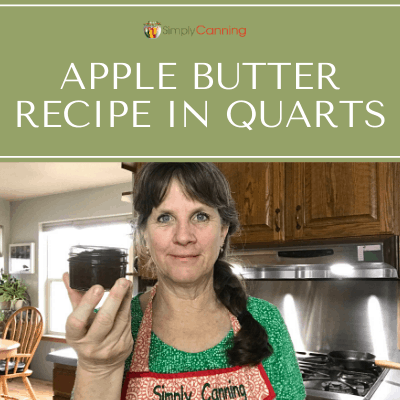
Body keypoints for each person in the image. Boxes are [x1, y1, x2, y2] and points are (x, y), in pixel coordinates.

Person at [63, 162, 306, 400]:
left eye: (200, 216)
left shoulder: (266, 320)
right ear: (144, 234)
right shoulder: (113, 329)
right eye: (165, 217)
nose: (183, 236)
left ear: (223, 231)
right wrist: (99, 368)